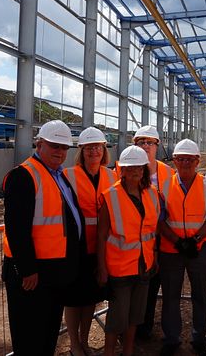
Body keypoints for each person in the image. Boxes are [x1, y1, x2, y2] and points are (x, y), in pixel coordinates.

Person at [1, 120, 84, 355]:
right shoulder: (23, 176)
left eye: (64, 147)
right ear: (39, 144)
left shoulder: (58, 176)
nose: (60, 152)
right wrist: (27, 269)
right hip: (32, 276)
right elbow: (16, 228)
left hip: (53, 273)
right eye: (54, 146)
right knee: (29, 338)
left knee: (47, 335)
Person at [157, 139, 206, 356]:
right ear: (174, 161)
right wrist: (177, 242)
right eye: (181, 159)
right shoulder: (163, 186)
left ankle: (199, 337)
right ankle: (171, 338)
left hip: (199, 250)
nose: (185, 163)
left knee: (201, 295)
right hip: (171, 250)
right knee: (171, 296)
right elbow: (160, 220)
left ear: (197, 161)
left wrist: (195, 240)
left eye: (190, 159)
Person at [96, 146, 160, 356]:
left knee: (135, 315)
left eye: (139, 168)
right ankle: (109, 352)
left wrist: (154, 257)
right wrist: (102, 268)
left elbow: (152, 231)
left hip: (144, 265)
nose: (135, 172)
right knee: (117, 317)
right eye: (130, 168)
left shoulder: (152, 195)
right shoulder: (110, 196)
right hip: (120, 268)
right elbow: (102, 236)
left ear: (144, 170)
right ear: (121, 170)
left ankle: (128, 350)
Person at [62, 127, 118, 356]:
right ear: (81, 151)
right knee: (74, 300)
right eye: (88, 148)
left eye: (97, 147)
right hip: (76, 249)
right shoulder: (69, 176)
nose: (93, 151)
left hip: (101, 248)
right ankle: (74, 343)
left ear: (103, 150)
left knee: (90, 299)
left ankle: (84, 341)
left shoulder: (112, 176)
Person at [119, 125, 176, 341]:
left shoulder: (168, 173)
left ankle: (144, 327)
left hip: (158, 239)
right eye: (141, 142)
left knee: (151, 284)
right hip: (129, 240)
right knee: (128, 285)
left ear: (157, 146)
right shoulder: (121, 169)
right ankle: (126, 328)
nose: (145, 146)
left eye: (149, 142)